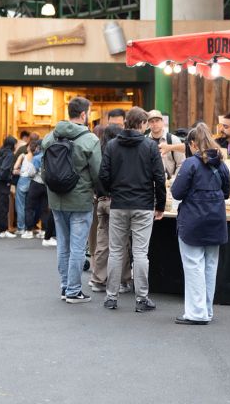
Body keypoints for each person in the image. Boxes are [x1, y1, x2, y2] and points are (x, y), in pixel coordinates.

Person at [99, 106, 166, 312]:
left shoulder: (112, 145)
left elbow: (103, 174)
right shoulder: (149, 146)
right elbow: (159, 177)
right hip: (143, 205)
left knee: (116, 252)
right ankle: (142, 298)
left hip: (119, 204)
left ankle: (111, 297)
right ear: (142, 124)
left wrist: (109, 192)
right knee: (140, 253)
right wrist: (160, 205)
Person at [42, 96, 102, 303]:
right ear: (84, 114)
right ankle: (74, 291)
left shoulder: (50, 137)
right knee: (77, 247)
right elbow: (97, 173)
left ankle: (65, 286)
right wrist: (98, 191)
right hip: (80, 199)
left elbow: (44, 169)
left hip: (56, 198)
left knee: (63, 245)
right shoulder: (90, 140)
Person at [170, 123, 229, 325]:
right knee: (210, 266)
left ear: (193, 143)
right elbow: (227, 192)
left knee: (193, 265)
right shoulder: (221, 164)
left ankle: (196, 313)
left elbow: (177, 192)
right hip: (216, 219)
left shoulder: (190, 164)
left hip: (193, 220)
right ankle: (206, 310)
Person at [88, 124, 132, 294]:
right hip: (117, 201)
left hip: (101, 201)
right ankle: (122, 280)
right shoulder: (119, 153)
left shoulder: (98, 151)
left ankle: (98, 279)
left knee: (102, 241)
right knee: (121, 242)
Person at [25, 142, 56, 246]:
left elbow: (31, 172)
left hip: (36, 183)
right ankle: (43, 230)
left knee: (30, 207)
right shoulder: (50, 157)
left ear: (39, 147)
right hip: (46, 185)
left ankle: (29, 230)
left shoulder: (37, 157)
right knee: (45, 209)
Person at [0, 136, 17, 238]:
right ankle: (3, 230)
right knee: (2, 206)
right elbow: (5, 170)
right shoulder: (9, 154)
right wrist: (9, 179)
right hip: (1, 183)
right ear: (12, 145)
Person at [146, 109, 185, 179]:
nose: (155, 124)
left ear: (162, 122)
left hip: (169, 182)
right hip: (149, 183)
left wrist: (174, 180)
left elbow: (181, 164)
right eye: (152, 121)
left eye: (157, 121)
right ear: (148, 124)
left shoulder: (173, 140)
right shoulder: (144, 141)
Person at [14, 140, 39, 238]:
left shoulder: (22, 156)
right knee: (30, 206)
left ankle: (21, 228)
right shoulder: (36, 158)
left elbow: (15, 167)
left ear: (28, 147)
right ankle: (30, 226)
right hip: (32, 181)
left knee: (20, 205)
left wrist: (20, 171)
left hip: (23, 180)